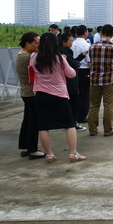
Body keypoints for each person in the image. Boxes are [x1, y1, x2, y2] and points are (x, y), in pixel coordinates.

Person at [30, 33, 85, 163]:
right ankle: (73, 154)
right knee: (69, 125)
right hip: (59, 95)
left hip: (41, 95)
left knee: (43, 126)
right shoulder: (59, 58)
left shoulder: (34, 57)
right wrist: (64, 61)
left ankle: (49, 154)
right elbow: (71, 74)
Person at [15, 32, 45, 160]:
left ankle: (25, 146)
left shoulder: (21, 54)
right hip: (31, 92)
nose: (38, 46)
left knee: (27, 120)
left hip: (26, 92)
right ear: (27, 44)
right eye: (36, 43)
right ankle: (33, 150)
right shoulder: (27, 57)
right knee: (33, 122)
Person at [59, 33, 87, 131]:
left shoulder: (66, 51)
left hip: (67, 80)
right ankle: (73, 123)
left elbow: (73, 61)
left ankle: (69, 122)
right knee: (73, 102)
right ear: (64, 41)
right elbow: (72, 64)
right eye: (70, 41)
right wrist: (77, 63)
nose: (72, 43)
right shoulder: (63, 52)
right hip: (70, 80)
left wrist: (81, 56)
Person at [72, 25, 91, 123]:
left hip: (74, 70)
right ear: (85, 32)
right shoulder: (86, 45)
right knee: (85, 94)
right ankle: (82, 115)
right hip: (84, 70)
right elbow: (89, 61)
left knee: (76, 93)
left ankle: (76, 114)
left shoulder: (72, 43)